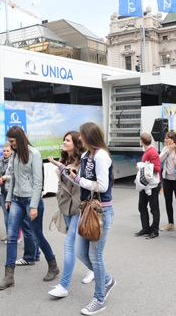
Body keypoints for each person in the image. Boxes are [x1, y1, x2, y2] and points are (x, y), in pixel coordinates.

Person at [0, 126, 59, 290]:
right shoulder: (15, 154)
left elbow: (38, 182)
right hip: (16, 200)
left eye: (12, 142)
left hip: (31, 200)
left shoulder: (34, 154)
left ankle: (53, 265)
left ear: (19, 139)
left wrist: (33, 206)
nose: (10, 145)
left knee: (37, 236)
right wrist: (9, 198)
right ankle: (9, 276)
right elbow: (14, 177)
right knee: (11, 237)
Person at [66, 122, 116, 315]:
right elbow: (83, 182)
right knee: (80, 252)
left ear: (89, 136)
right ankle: (107, 280)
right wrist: (69, 175)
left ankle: (99, 299)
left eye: (81, 135)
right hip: (87, 209)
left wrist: (78, 179)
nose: (80, 138)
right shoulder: (87, 155)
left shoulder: (102, 156)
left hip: (101, 211)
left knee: (96, 256)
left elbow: (102, 186)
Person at [47, 131, 93, 298]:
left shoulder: (84, 161)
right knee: (81, 245)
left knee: (69, 244)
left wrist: (64, 169)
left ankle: (64, 285)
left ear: (75, 143)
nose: (64, 142)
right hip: (65, 205)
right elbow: (62, 182)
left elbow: (82, 183)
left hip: (79, 206)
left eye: (67, 140)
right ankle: (93, 269)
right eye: (63, 139)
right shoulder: (63, 159)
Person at [135, 132, 162, 240]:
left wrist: (142, 166)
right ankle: (146, 228)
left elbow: (157, 169)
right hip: (146, 184)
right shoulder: (148, 151)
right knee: (142, 206)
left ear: (141, 141)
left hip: (153, 185)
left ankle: (154, 230)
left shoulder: (152, 152)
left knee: (154, 208)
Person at [0, 143, 12, 241]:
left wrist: (7, 177)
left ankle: (15, 235)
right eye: (4, 151)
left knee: (13, 213)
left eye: (7, 151)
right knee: (6, 212)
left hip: (11, 190)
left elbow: (16, 175)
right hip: (1, 190)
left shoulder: (14, 161)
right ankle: (8, 233)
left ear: (11, 151)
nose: (5, 153)